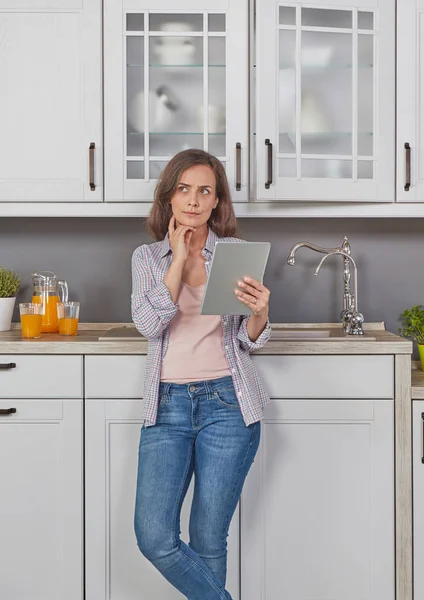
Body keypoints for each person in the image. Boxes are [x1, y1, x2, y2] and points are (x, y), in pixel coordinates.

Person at [131, 148, 271, 600]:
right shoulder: (147, 258)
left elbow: (249, 341)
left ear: (217, 202)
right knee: (154, 536)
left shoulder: (234, 255)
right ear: (169, 197)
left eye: (204, 191)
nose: (193, 200)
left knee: (209, 539)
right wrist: (177, 259)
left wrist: (260, 313)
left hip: (228, 404)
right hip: (167, 405)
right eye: (184, 189)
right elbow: (150, 325)